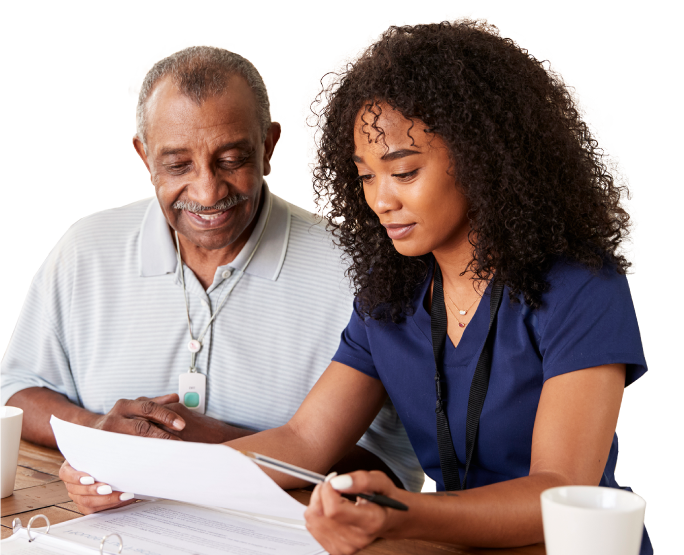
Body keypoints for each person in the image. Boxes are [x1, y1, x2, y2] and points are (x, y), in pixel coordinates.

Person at [59, 20, 651, 555]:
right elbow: (303, 440)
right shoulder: (390, 294)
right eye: (366, 176)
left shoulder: (582, 289)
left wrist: (398, 513)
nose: (380, 200)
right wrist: (132, 474)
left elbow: (559, 493)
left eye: (405, 171)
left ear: (483, 159)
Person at [0, 44, 425, 498]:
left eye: (231, 160)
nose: (206, 192)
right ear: (144, 157)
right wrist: (102, 434)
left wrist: (211, 445)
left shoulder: (362, 268)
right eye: (177, 164)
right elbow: (16, 392)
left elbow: (393, 467)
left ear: (268, 146)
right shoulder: (84, 248)